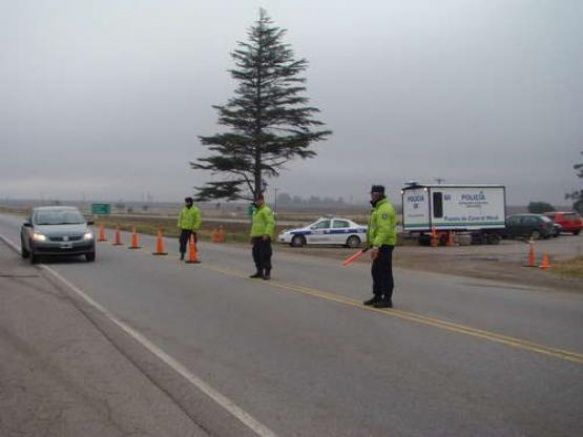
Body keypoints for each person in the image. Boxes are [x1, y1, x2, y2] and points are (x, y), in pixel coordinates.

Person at [363, 185, 397, 308]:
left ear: (377, 195)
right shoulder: (377, 208)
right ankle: (377, 295)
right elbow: (373, 229)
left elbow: (384, 230)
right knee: (376, 271)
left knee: (384, 271)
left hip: (385, 245)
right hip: (378, 244)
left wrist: (376, 245)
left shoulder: (385, 209)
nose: (371, 196)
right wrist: (371, 243)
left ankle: (387, 299)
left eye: (372, 194)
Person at [249, 193, 275, 280]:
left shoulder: (266, 210)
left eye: (258, 200)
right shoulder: (256, 211)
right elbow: (254, 225)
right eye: (255, 200)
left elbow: (270, 223)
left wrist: (267, 234)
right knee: (256, 254)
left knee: (265, 255)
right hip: (256, 237)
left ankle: (267, 273)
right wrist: (252, 236)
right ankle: (259, 272)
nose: (256, 202)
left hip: (264, 237)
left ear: (262, 200)